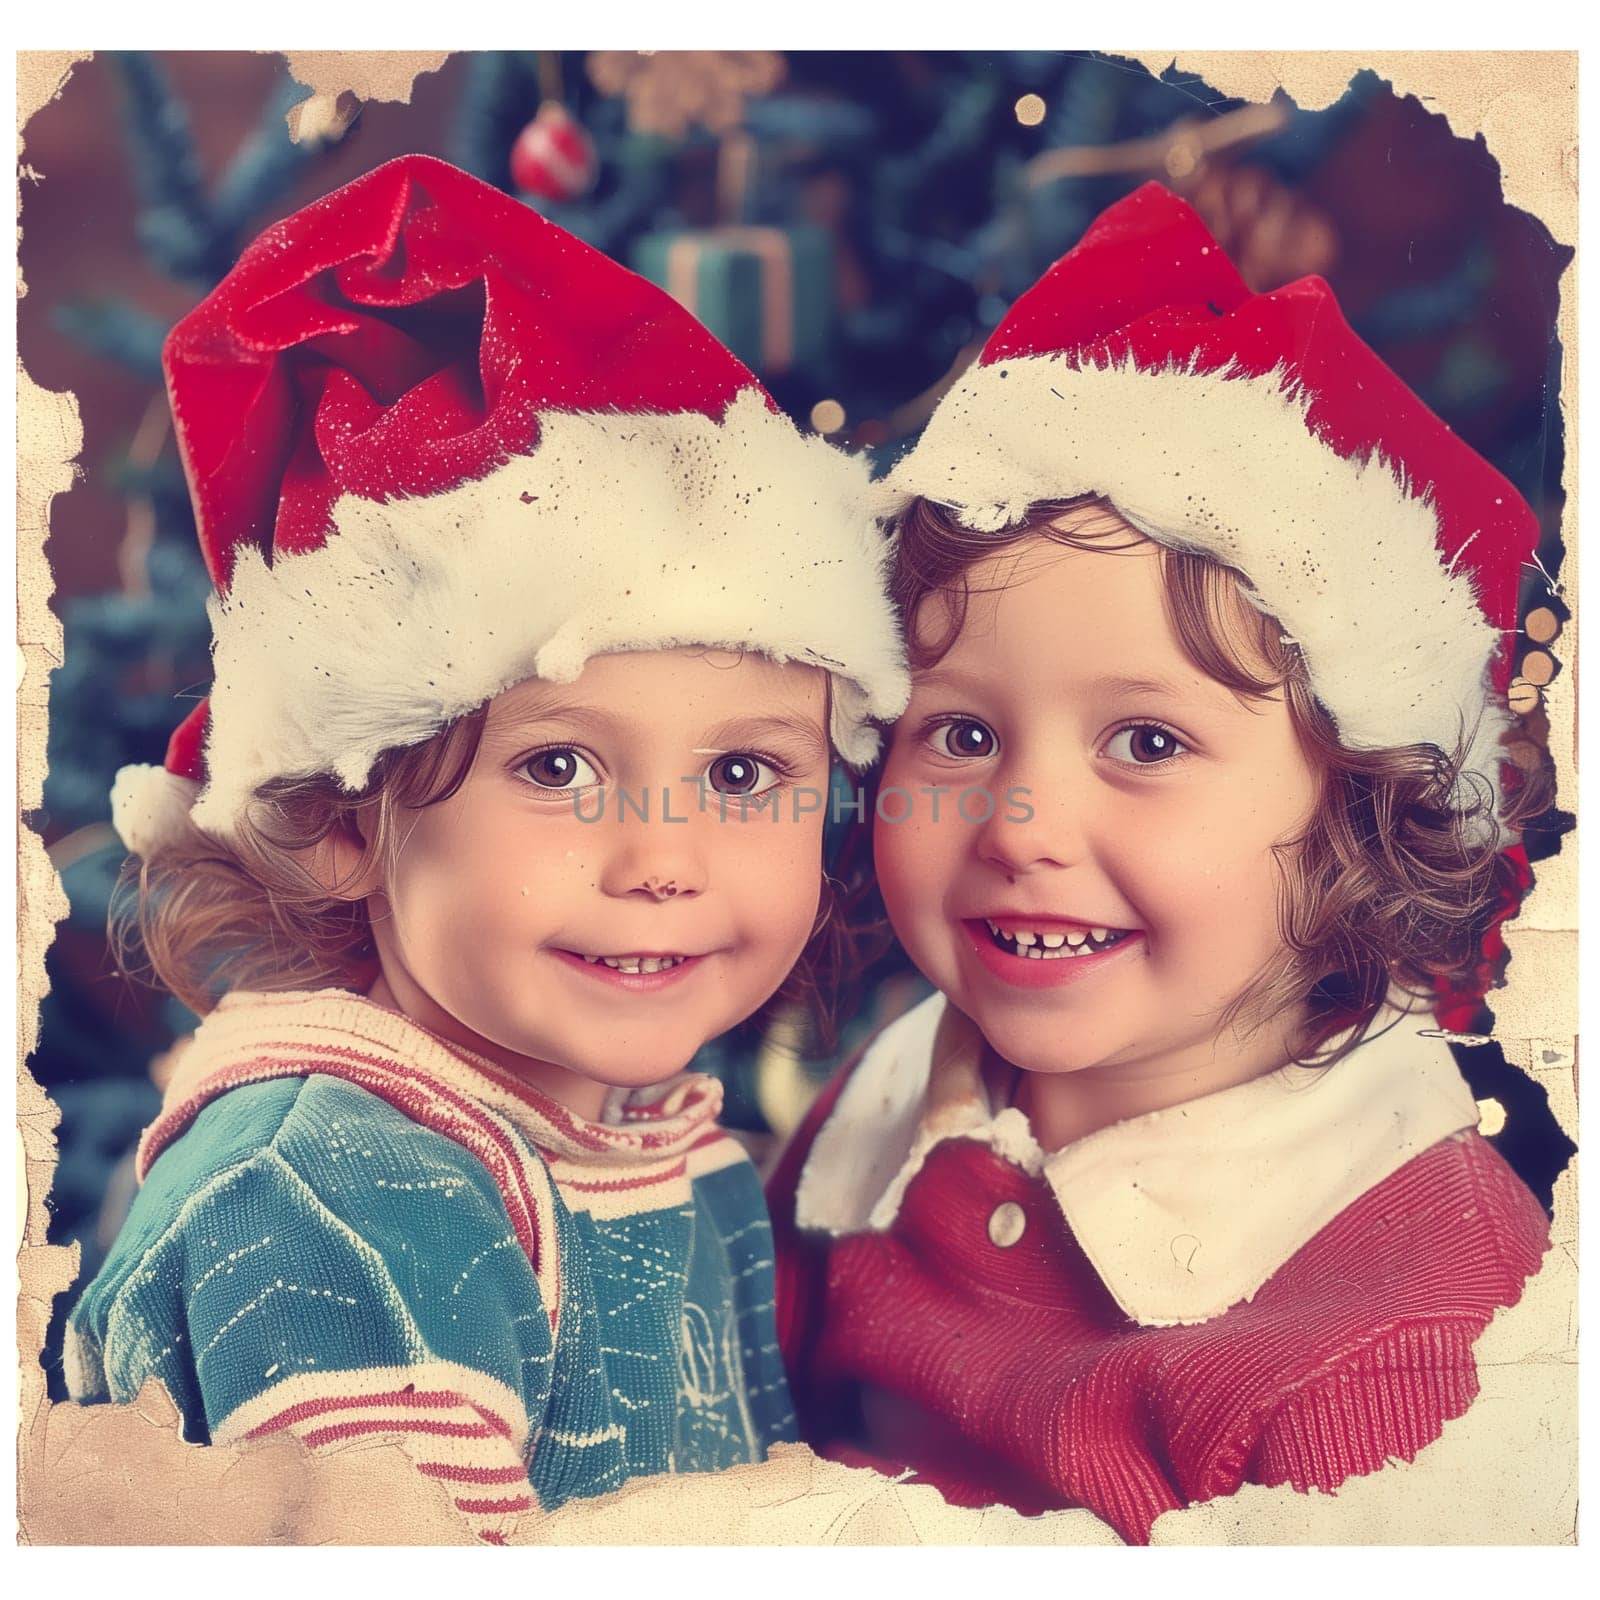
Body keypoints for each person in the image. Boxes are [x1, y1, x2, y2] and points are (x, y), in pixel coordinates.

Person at [64, 154, 907, 1543]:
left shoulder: (672, 1153)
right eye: (560, 765)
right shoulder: (332, 1190)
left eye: (746, 770)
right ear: (342, 822)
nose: (664, 858)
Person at [768, 183, 1558, 1544]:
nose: (1019, 822)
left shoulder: (1407, 1322)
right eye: (958, 731)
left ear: (1356, 811)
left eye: (1144, 739)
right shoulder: (889, 1104)